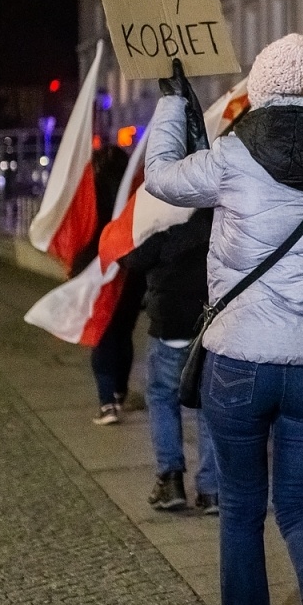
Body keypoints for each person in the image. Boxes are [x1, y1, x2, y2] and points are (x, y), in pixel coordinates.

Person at [144, 33, 303, 605]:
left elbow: (163, 179)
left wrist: (173, 108)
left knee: (241, 507)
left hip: (241, 358)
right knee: (302, 504)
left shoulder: (235, 154)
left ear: (259, 91)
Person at [119, 208, 222, 514]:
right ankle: (212, 490)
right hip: (209, 326)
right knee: (207, 404)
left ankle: (171, 480)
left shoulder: (164, 218)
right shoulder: (217, 217)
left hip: (169, 325)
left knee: (163, 397)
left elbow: (134, 260)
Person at [81, 144, 144, 425]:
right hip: (131, 273)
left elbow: (86, 232)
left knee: (103, 334)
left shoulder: (93, 195)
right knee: (122, 333)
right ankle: (119, 392)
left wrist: (78, 269)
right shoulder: (134, 192)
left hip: (101, 269)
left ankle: (107, 403)